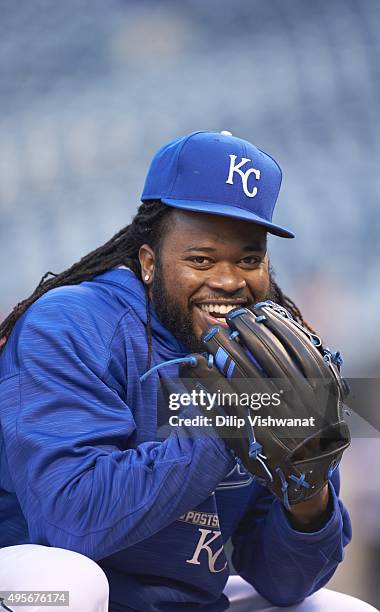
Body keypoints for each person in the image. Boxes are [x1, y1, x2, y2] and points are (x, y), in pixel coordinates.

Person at [0, 131, 358, 611]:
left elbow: (284, 582)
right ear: (149, 262)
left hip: (181, 598)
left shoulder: (269, 351)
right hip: (33, 585)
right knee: (66, 584)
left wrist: (307, 498)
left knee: (340, 609)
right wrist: (227, 423)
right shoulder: (71, 323)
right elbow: (70, 522)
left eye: (250, 259)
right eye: (202, 259)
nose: (230, 280)